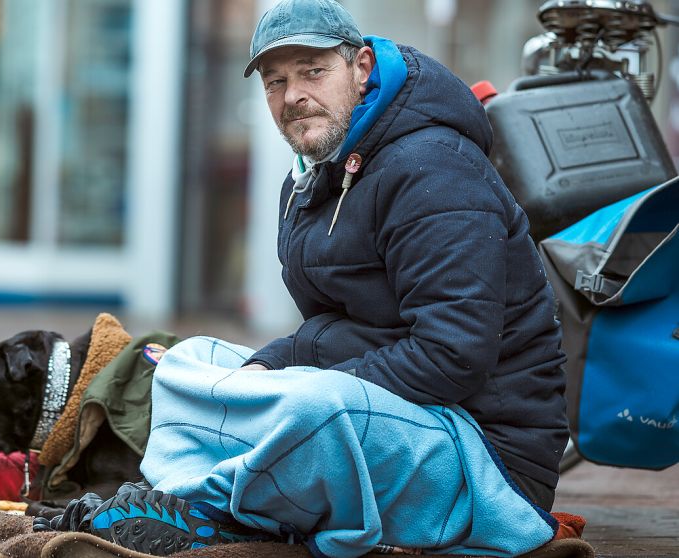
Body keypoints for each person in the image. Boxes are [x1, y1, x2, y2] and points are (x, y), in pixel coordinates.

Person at [37, 1, 568, 556]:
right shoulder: (314, 179)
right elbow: (341, 328)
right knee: (185, 364)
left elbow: (451, 355)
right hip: (398, 419)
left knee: (315, 409)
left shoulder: (434, 167)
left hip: (483, 465)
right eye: (276, 82)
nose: (293, 97)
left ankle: (208, 511)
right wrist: (261, 370)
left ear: (361, 68)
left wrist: (295, 383)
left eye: (313, 72)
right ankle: (180, 501)